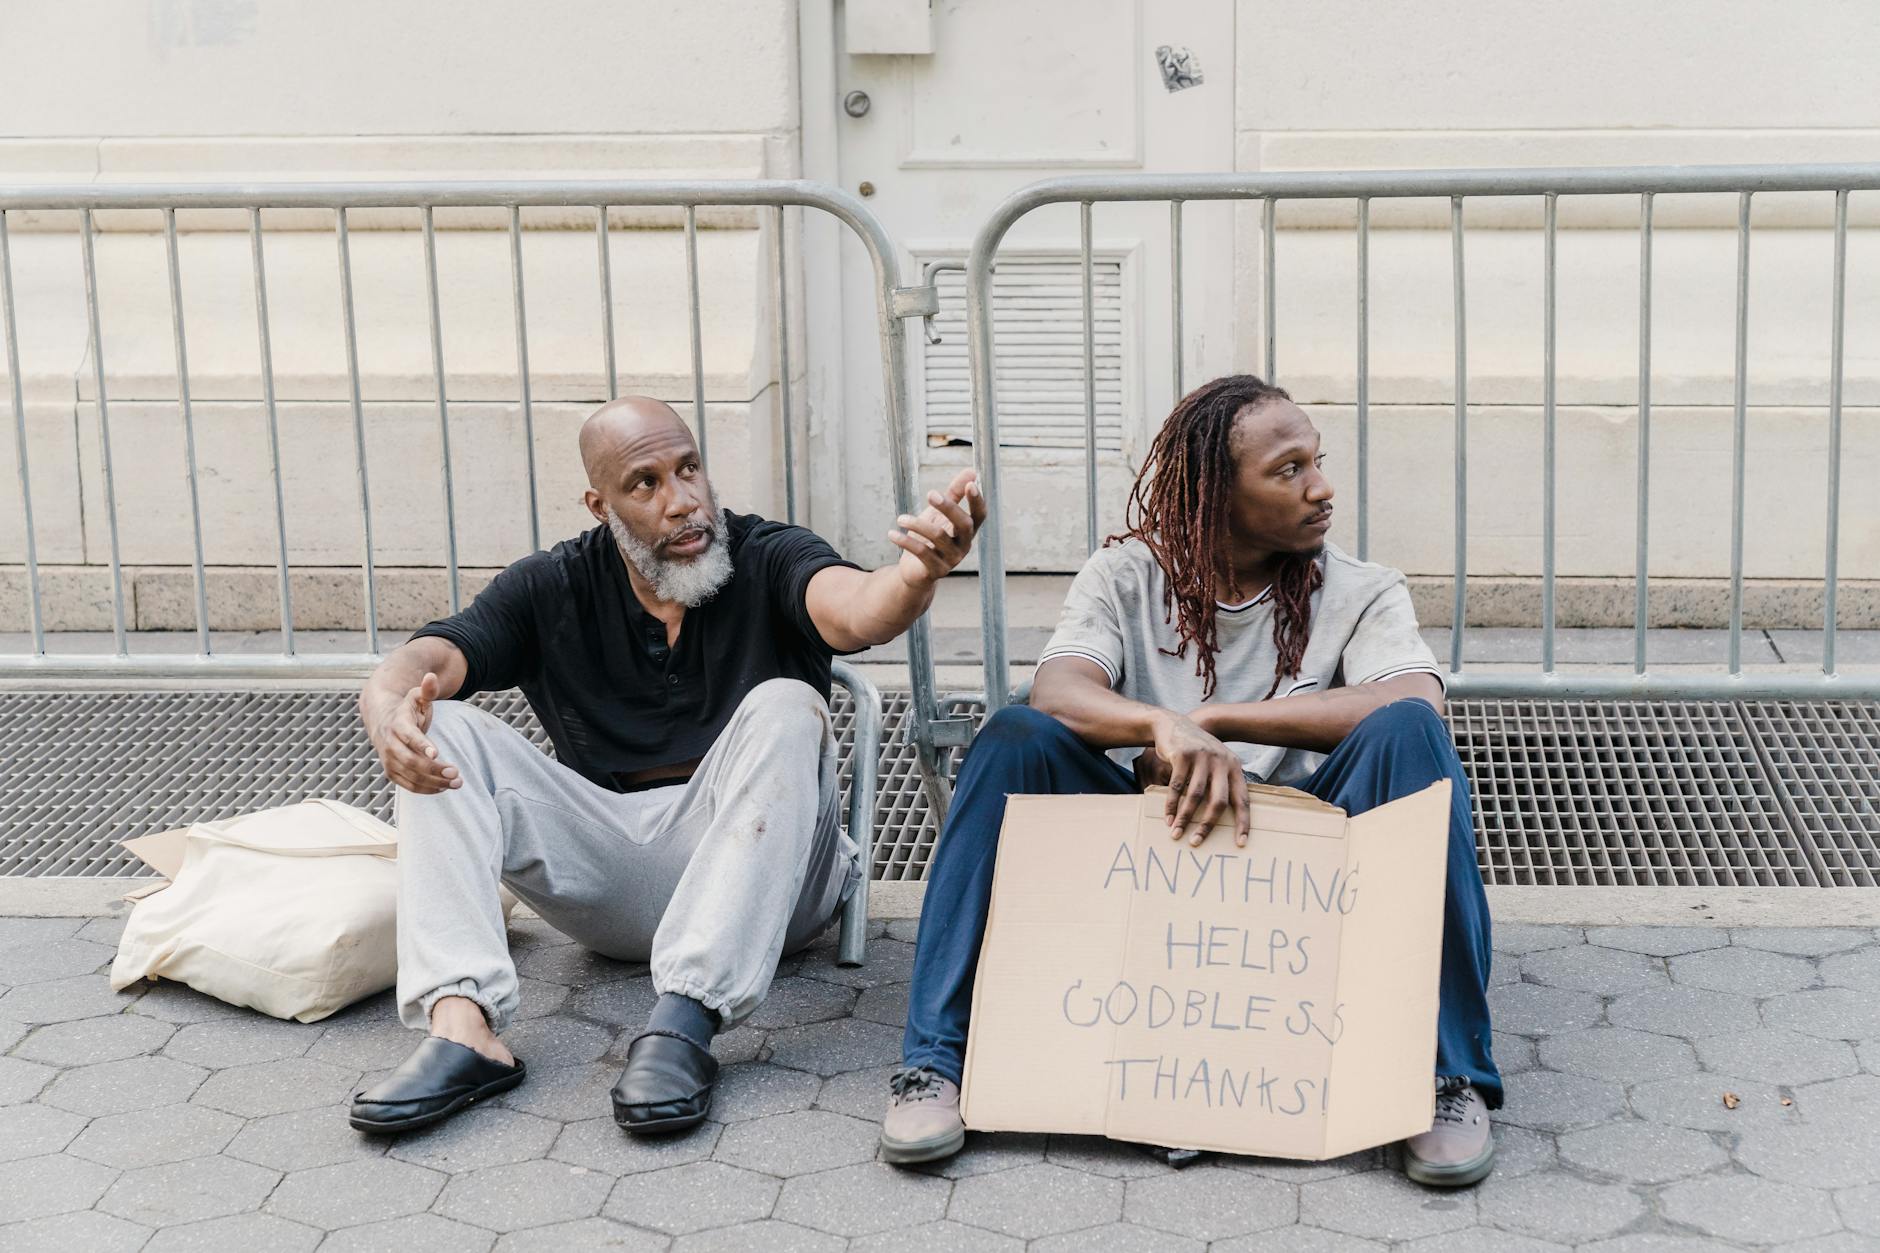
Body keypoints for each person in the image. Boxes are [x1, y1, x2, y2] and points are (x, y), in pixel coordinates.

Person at [882, 374, 1500, 1188]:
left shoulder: (1360, 588)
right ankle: (935, 1060)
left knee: (1411, 735)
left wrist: (1214, 719)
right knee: (1012, 738)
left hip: (1301, 872)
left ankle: (1445, 1075)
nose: (1321, 487)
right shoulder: (1125, 575)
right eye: (1289, 470)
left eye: (1316, 461)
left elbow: (1413, 696)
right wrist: (1158, 727)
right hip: (1154, 852)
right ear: (1216, 494)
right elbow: (1059, 689)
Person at [349, 396, 985, 1137]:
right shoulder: (554, 584)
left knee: (787, 704)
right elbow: (434, 656)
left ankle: (683, 1025)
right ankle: (463, 1029)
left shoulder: (767, 553)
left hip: (774, 886)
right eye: (646, 483)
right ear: (601, 506)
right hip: (615, 877)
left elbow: (856, 608)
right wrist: (386, 707)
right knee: (439, 723)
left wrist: (913, 576)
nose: (683, 501)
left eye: (689, 469)